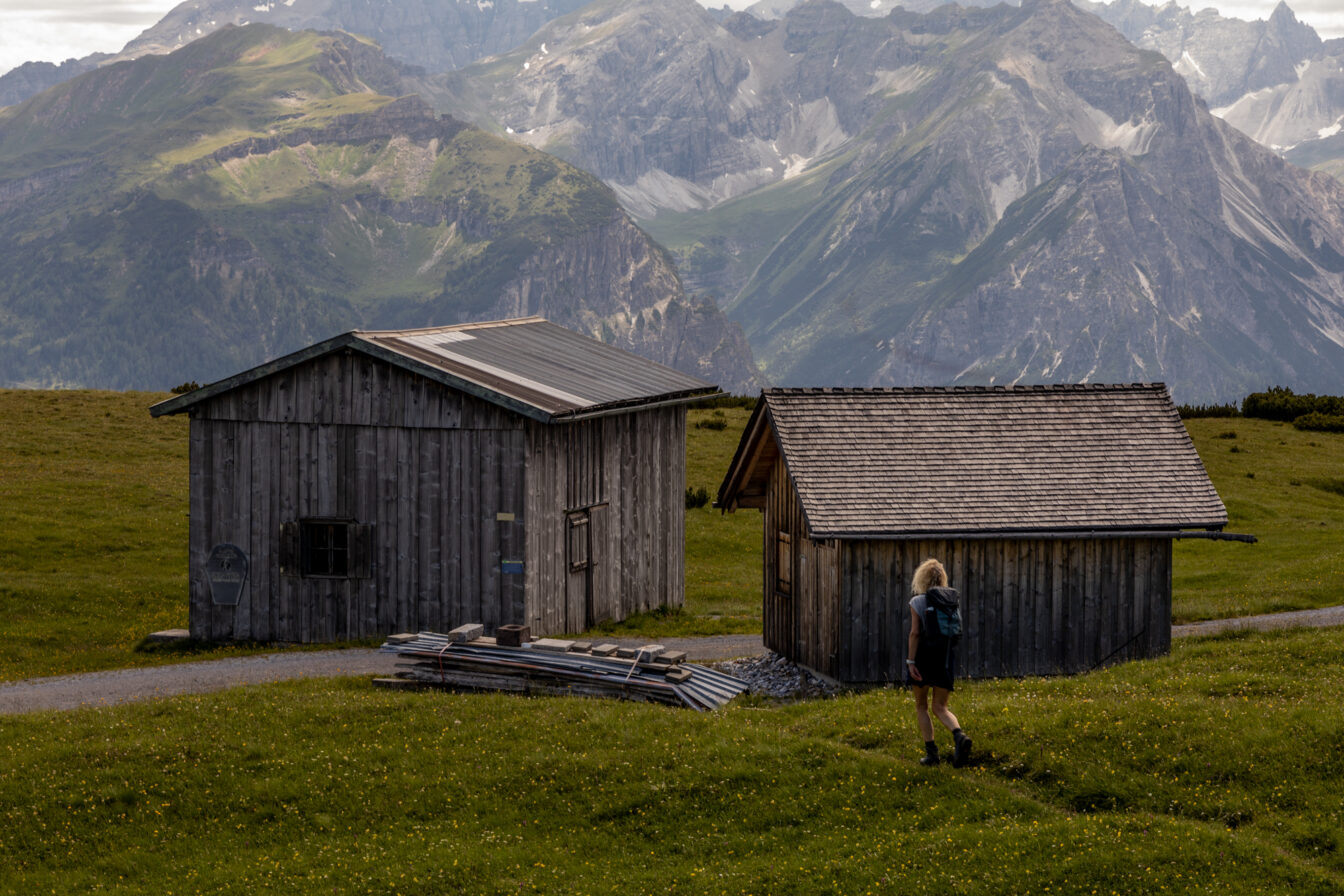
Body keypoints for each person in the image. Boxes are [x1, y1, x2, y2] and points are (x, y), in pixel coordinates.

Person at [906, 558, 972, 767]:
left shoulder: (917, 602)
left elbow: (915, 633)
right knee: (940, 707)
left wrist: (910, 661)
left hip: (924, 657)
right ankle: (959, 736)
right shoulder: (951, 602)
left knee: (921, 706)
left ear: (922, 578)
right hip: (945, 658)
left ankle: (932, 754)